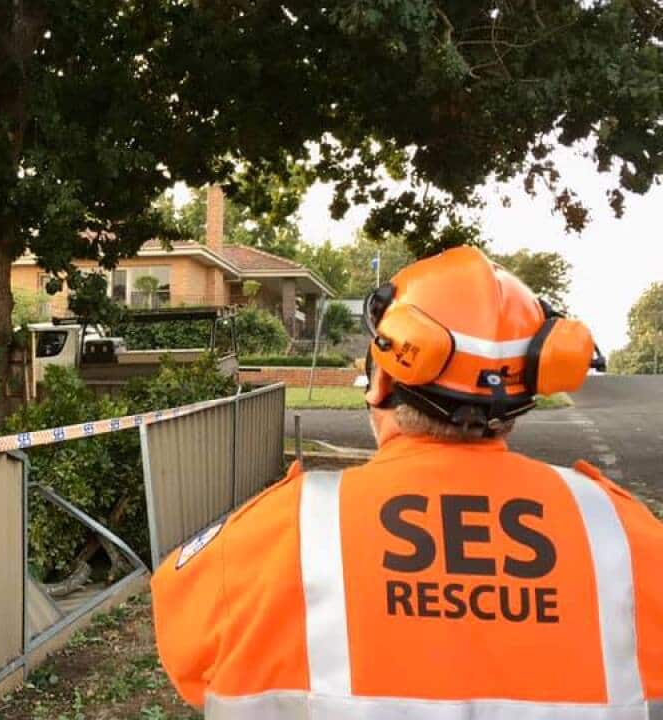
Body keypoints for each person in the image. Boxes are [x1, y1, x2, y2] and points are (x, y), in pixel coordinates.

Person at [151, 246, 663, 718]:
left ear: (382, 381)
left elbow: (186, 654)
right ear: (521, 395)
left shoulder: (280, 534)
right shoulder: (625, 540)